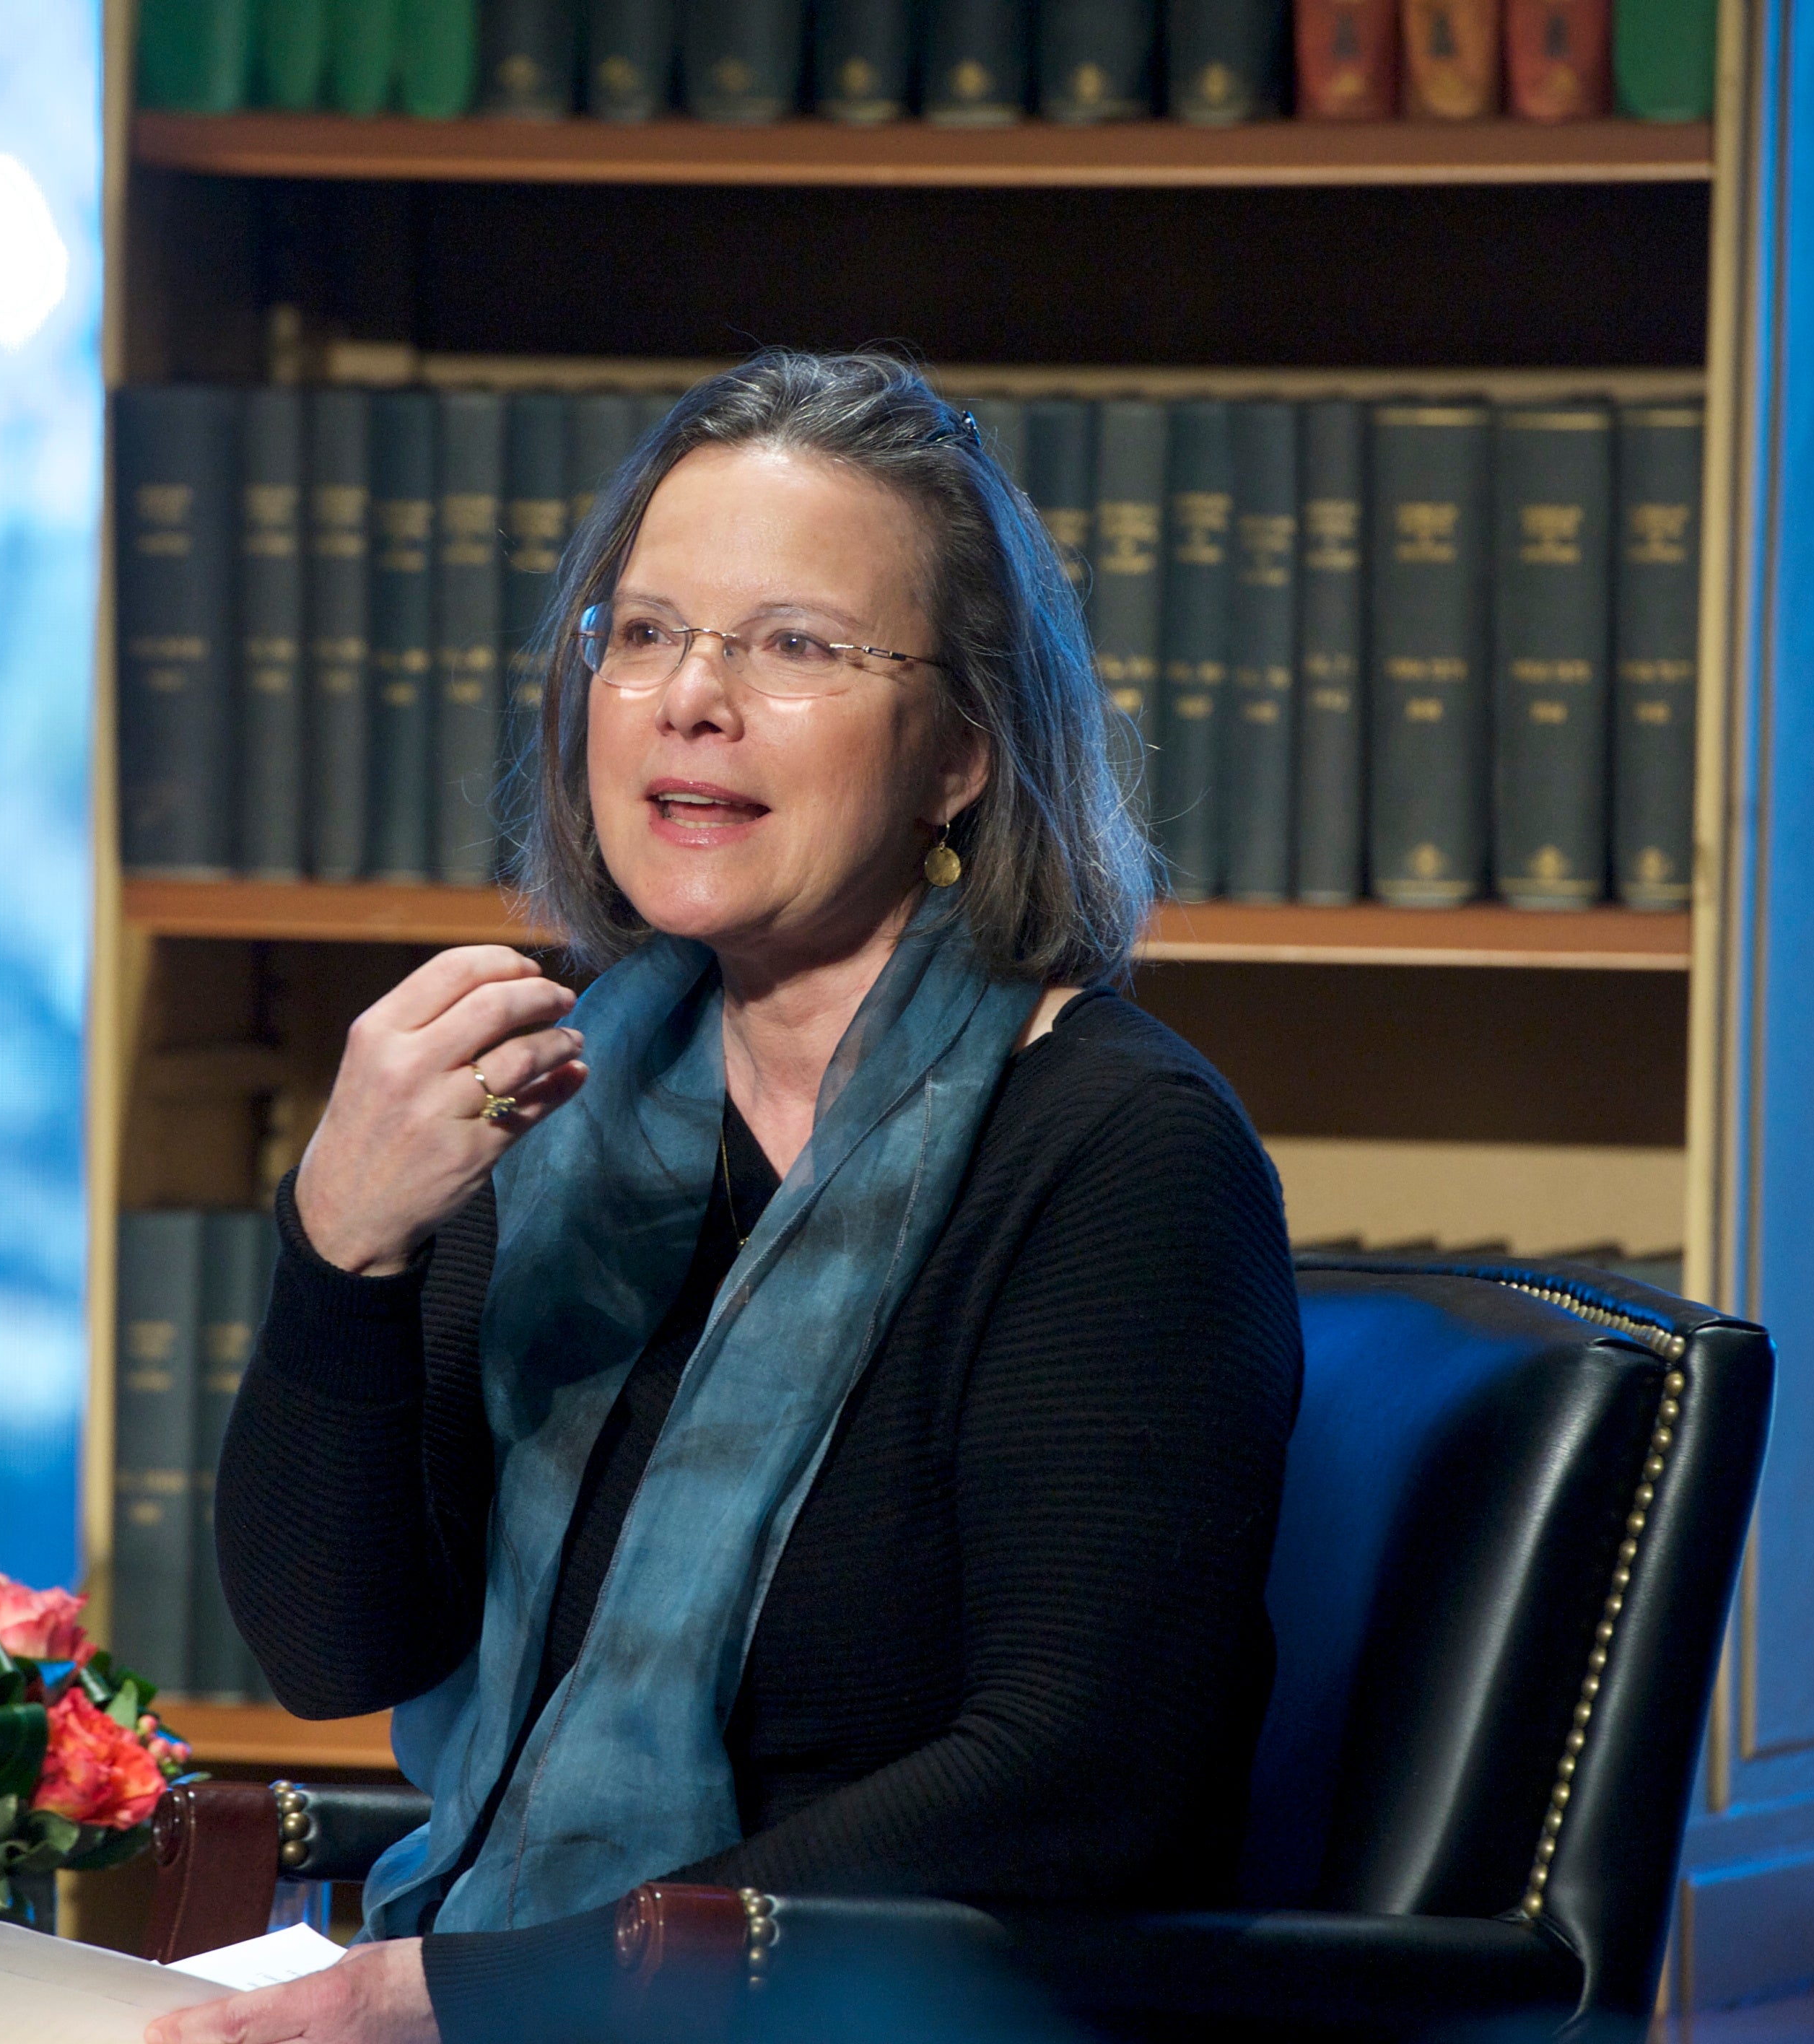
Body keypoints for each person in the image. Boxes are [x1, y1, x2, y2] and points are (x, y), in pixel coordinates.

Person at [154, 350, 1300, 2044]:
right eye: (642, 631)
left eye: (794, 647)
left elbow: (1077, 1778)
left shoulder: (1118, 1149)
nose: (692, 696)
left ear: (960, 757)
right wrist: (344, 1244)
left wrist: (484, 1997)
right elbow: (334, 1650)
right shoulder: (545, 1101)